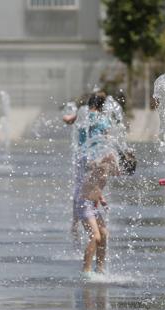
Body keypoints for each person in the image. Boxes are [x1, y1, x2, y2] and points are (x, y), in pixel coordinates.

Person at [77, 150, 136, 276]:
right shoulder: (104, 167)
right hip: (84, 203)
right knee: (95, 236)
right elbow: (92, 171)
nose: (121, 175)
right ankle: (85, 271)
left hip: (92, 205)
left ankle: (99, 269)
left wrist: (101, 198)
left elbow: (94, 184)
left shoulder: (107, 167)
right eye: (123, 171)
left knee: (104, 234)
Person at [64, 92, 110, 250]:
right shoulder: (103, 119)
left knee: (79, 187)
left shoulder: (83, 114)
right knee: (91, 187)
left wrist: (71, 116)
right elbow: (107, 139)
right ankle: (94, 209)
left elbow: (67, 120)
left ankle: (75, 223)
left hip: (82, 156)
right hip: (95, 157)